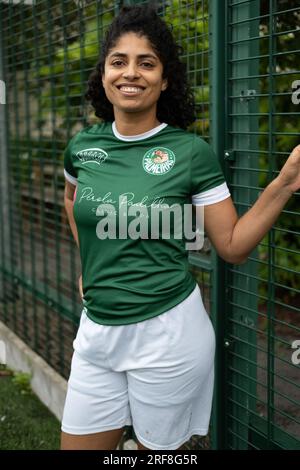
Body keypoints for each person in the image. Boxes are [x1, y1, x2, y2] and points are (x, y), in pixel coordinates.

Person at [61, 4, 300, 451]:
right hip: (96, 332)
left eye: (146, 63)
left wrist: (285, 182)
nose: (131, 73)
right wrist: (87, 266)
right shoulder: (82, 147)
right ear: (104, 74)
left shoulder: (190, 152)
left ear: (165, 79)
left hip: (167, 335)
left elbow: (231, 246)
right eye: (119, 61)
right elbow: (72, 201)